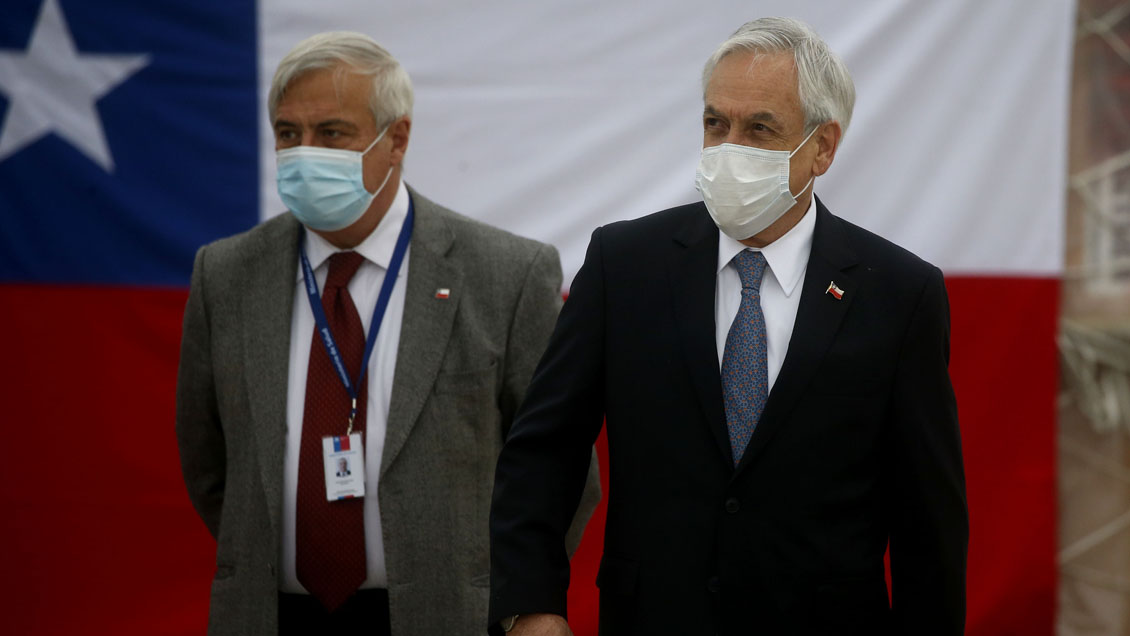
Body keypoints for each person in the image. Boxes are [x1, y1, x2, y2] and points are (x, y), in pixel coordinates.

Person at [489, 17, 967, 636]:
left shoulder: (899, 293)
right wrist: (531, 605)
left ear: (823, 147)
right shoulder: (624, 265)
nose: (728, 147)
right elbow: (543, 449)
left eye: (759, 128)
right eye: (716, 124)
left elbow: (928, 516)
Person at [175, 31, 599, 636]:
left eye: (331, 133)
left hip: (447, 616)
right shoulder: (226, 274)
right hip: (271, 614)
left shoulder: (506, 274)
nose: (304, 154)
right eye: (288, 134)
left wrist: (520, 596)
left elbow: (559, 467)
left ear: (396, 139)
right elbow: (208, 461)